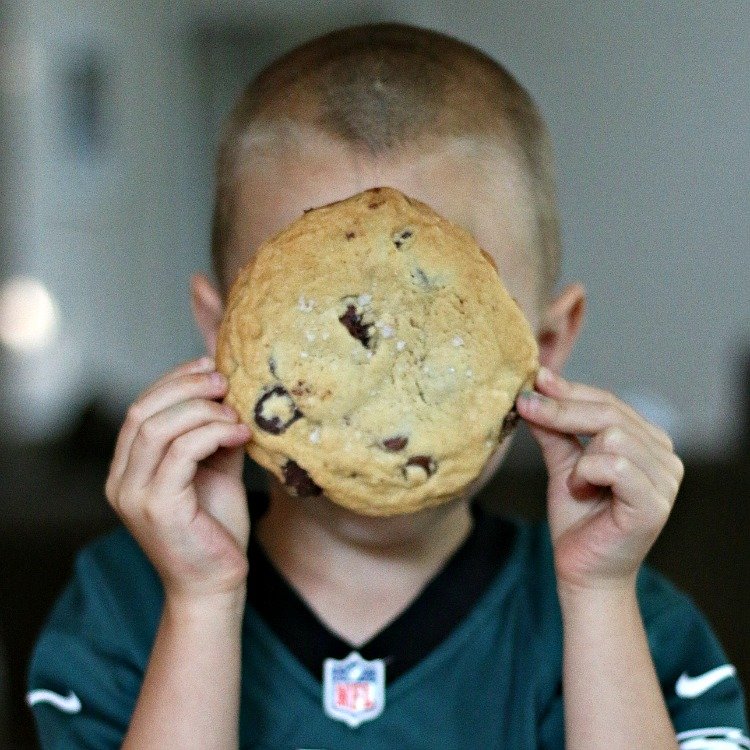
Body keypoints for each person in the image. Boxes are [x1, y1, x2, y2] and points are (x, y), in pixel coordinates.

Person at [28, 23, 748, 750]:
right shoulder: (124, 608)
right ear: (225, 336)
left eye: (444, 320)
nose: (375, 380)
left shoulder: (636, 623)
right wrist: (203, 603)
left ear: (545, 345)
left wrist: (597, 602)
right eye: (313, 305)